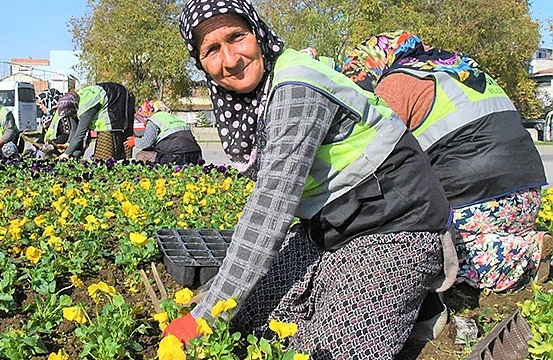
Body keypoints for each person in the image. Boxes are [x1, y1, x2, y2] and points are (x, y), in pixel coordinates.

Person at [167, 2, 458, 357]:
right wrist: (216, 307)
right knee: (247, 317)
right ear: (201, 64)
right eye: (211, 50)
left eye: (236, 37)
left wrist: (201, 320)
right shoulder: (261, 94)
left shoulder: (296, 88)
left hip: (395, 225)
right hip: (334, 227)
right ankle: (347, 290)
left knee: (331, 350)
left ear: (257, 33)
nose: (229, 59)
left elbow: (269, 211)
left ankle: (418, 305)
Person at [341, 30, 551, 292]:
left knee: (429, 257)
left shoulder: (394, 84)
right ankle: (520, 237)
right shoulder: (464, 69)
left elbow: (374, 157)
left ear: (372, 64)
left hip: (481, 198)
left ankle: (524, 255)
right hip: (527, 196)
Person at [57, 82, 135, 161]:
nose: (70, 117)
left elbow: (80, 134)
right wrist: (68, 144)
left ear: (73, 109)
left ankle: (123, 159)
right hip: (110, 96)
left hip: (118, 99)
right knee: (101, 158)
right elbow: (74, 129)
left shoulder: (86, 108)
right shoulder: (73, 102)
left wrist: (66, 154)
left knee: (105, 152)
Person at [124, 100, 202, 165]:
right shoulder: (172, 117)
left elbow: (147, 142)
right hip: (195, 154)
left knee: (140, 155)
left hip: (175, 156)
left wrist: (134, 141)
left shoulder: (154, 119)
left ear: (149, 112)